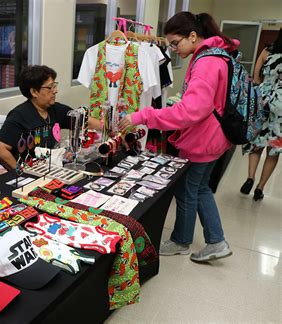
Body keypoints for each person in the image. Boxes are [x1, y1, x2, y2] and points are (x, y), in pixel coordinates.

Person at [119, 12, 234, 262]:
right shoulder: (217, 55)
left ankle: (183, 240)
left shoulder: (206, 62)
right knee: (201, 188)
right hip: (215, 136)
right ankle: (216, 240)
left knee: (185, 191)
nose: (171, 49)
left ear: (192, 36)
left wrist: (144, 115)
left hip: (202, 140)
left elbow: (191, 111)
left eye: (174, 43)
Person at [0, 65, 101, 170]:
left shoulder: (56, 109)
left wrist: (107, 128)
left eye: (54, 86)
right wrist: (20, 171)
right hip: (30, 172)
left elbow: (85, 122)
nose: (55, 91)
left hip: (50, 168)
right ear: (34, 92)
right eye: (50, 87)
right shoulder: (19, 116)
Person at [240, 28, 282, 201]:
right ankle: (260, 188)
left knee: (257, 142)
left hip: (262, 101)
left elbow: (256, 78)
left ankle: (250, 177)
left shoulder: (267, 51)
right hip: (281, 106)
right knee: (274, 148)